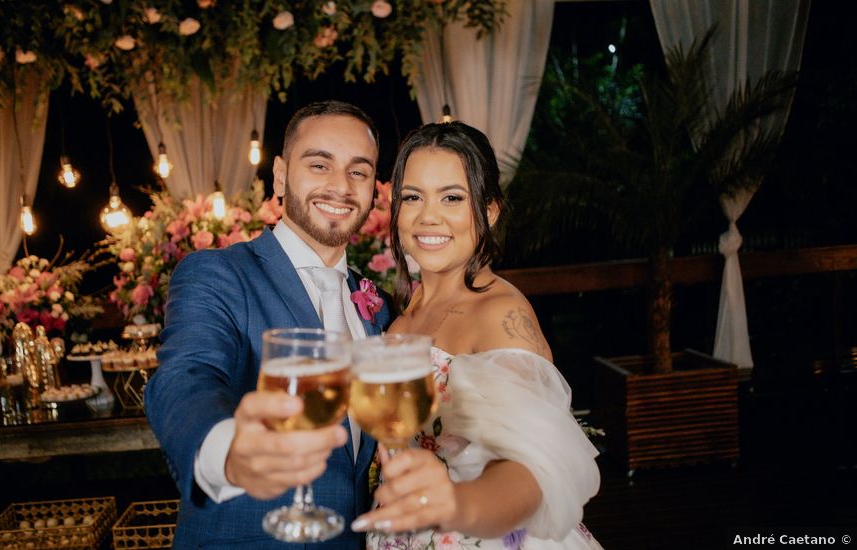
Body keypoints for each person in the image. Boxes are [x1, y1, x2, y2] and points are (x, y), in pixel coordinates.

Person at [145, 100, 393, 548]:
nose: (340, 186)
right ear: (280, 175)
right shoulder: (218, 274)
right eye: (319, 164)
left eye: (359, 171)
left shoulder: (377, 305)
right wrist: (228, 450)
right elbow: (186, 375)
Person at [350, 122, 603, 549]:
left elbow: (530, 471)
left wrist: (455, 505)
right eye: (412, 197)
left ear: (489, 211)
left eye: (452, 197)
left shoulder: (500, 313)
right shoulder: (405, 314)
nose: (428, 215)